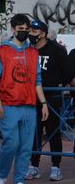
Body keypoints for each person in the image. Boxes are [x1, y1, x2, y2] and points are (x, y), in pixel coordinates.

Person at [0, 14, 49, 184]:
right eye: (21, 29)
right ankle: (1, 176)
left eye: (27, 30)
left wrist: (43, 103)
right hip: (8, 106)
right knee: (11, 144)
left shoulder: (33, 52)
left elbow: (37, 80)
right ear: (13, 29)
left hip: (29, 106)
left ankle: (19, 180)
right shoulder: (1, 51)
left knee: (26, 148)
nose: (24, 32)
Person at [25, 20, 70, 181]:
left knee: (53, 133)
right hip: (32, 99)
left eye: (34, 31)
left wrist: (56, 85)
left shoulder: (57, 50)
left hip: (52, 98)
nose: (31, 34)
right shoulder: (28, 50)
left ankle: (56, 167)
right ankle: (34, 166)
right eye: (29, 31)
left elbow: (67, 74)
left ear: (43, 33)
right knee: (34, 132)